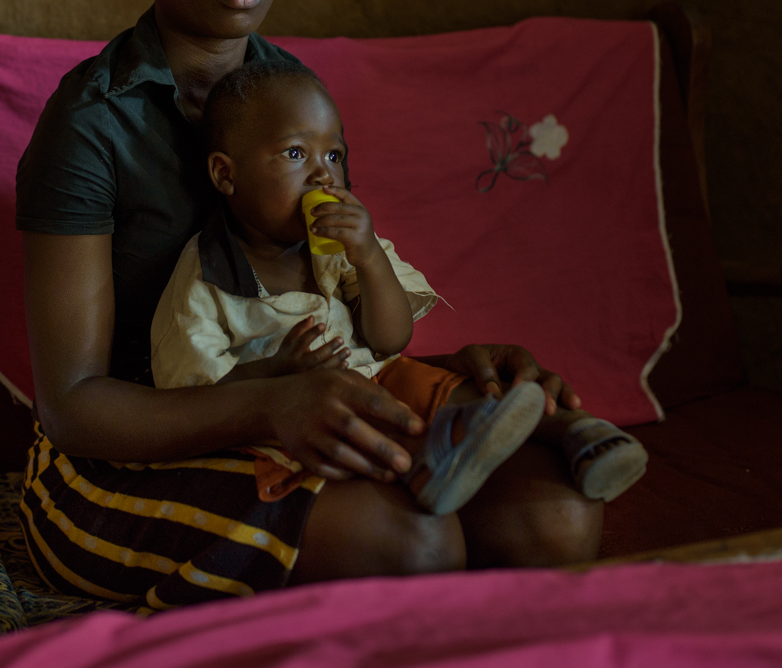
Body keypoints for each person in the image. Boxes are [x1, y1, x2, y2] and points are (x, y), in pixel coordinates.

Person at [15, 0, 606, 615]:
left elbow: (326, 288)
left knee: (557, 517)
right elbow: (74, 404)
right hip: (121, 459)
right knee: (413, 543)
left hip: (292, 402)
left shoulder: (292, 94)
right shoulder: (91, 123)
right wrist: (270, 401)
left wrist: (448, 376)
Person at [150, 61, 647, 515]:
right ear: (225, 174)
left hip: (381, 380)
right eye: (296, 153)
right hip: (296, 420)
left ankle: (575, 433)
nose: (324, 173)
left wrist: (368, 256)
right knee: (368, 416)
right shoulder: (205, 276)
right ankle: (436, 462)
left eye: (335, 154)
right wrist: (277, 370)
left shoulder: (339, 246)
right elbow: (194, 394)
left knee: (441, 384)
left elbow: (389, 339)